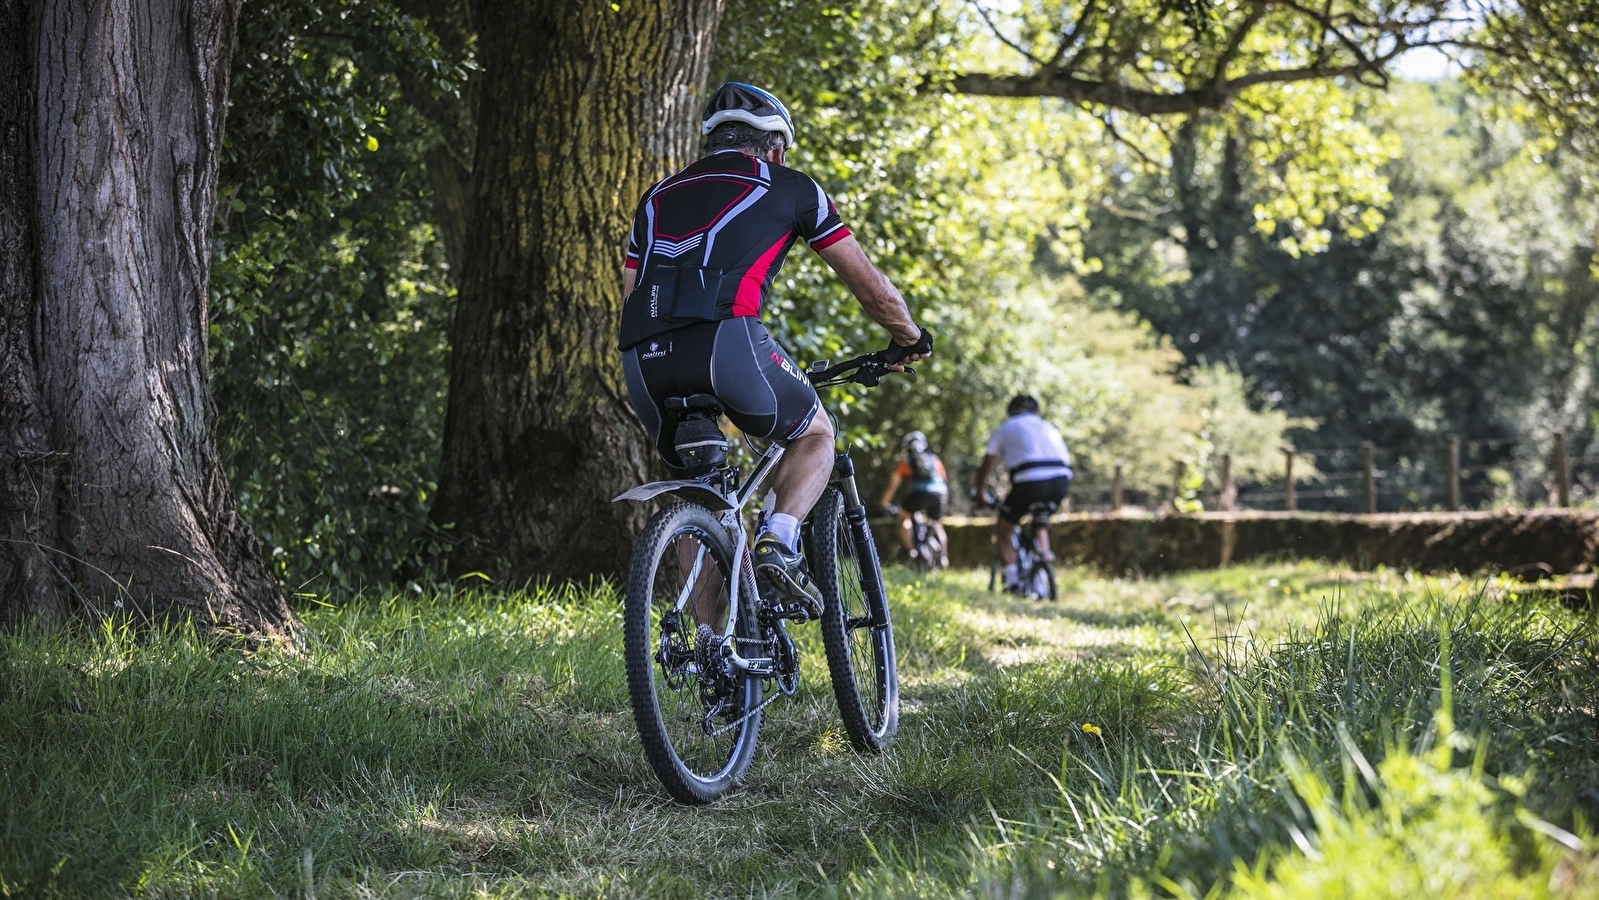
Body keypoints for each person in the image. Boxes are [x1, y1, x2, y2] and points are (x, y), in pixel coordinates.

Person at [618, 82, 932, 617]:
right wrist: (909, 337)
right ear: (776, 146)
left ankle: (716, 651)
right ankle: (779, 542)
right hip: (727, 344)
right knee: (814, 433)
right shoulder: (791, 186)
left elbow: (629, 294)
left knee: (699, 491)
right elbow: (872, 289)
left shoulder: (656, 197)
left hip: (643, 360)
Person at [971, 395, 1072, 591]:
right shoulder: (1048, 427)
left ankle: (1012, 581)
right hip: (1061, 481)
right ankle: (1044, 558)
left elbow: (986, 466)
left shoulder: (1005, 428)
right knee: (1040, 520)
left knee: (1003, 530)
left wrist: (979, 493)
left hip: (1029, 482)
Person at [878, 431, 950, 567]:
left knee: (903, 518)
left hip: (918, 494)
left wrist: (883, 503)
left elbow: (892, 486)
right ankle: (944, 556)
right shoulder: (934, 459)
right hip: (940, 493)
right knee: (937, 524)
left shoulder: (906, 461)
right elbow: (944, 481)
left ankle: (912, 552)